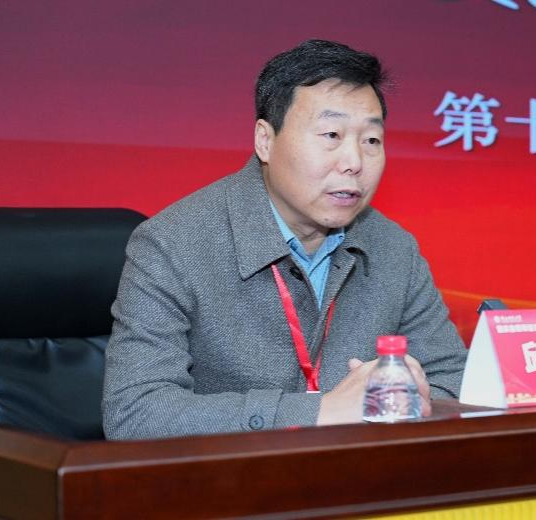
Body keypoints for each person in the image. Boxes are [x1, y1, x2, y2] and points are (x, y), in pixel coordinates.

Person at [102, 39, 467, 439]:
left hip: (360, 473)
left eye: (371, 141)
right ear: (265, 140)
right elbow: (135, 413)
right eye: (331, 134)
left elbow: (455, 381)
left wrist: (406, 397)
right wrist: (320, 410)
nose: (354, 162)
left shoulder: (394, 248)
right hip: (232, 476)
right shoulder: (173, 244)